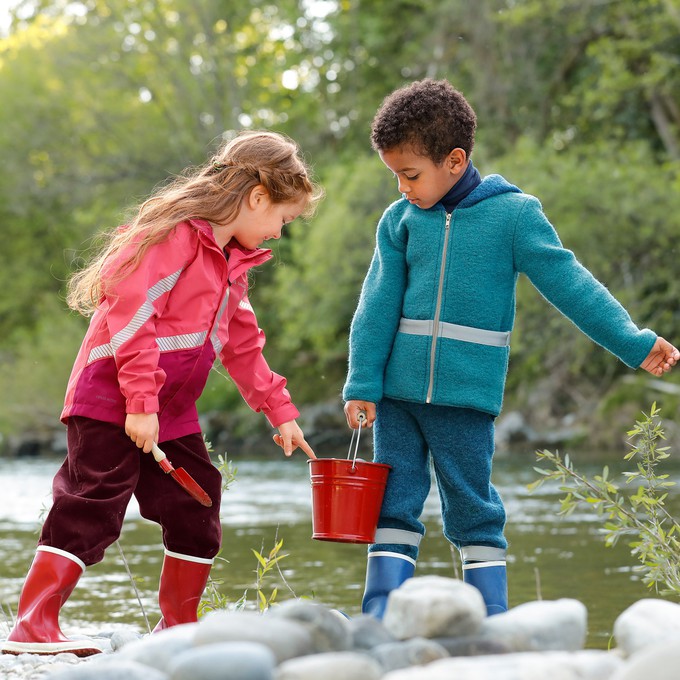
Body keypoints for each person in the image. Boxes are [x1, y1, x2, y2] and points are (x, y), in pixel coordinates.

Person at [342, 78, 680, 619]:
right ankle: (380, 611)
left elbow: (572, 286)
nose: (402, 188)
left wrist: (634, 344)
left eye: (410, 174)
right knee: (392, 501)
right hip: (397, 396)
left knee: (473, 505)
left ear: (454, 160)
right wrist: (362, 382)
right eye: (395, 176)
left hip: (468, 398)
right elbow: (376, 305)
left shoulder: (514, 216)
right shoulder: (400, 221)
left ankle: (490, 616)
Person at [1, 130, 322, 656]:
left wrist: (279, 410)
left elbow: (242, 343)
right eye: (282, 220)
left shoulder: (231, 264)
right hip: (111, 398)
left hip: (169, 412)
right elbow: (130, 319)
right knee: (92, 501)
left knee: (198, 499)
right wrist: (141, 404)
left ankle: (177, 627)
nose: (279, 233)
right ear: (258, 197)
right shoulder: (173, 238)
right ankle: (33, 626)